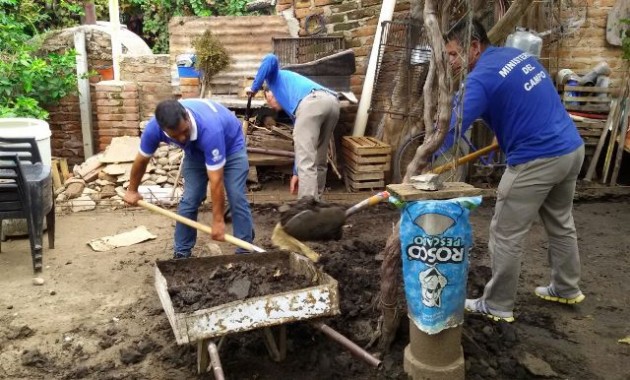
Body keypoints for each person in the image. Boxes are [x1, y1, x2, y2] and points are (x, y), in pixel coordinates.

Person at [442, 20, 585, 322]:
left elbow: (451, 129)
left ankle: (497, 305)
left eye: (454, 55)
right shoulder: (514, 56)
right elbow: (521, 99)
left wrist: (428, 157)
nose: (451, 62)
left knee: (505, 233)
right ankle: (566, 287)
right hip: (570, 148)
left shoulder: (479, 79)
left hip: (537, 158)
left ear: (474, 47)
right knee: (561, 223)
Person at [123, 99, 254, 258]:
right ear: (163, 129)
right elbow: (142, 160)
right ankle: (182, 253)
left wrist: (218, 220)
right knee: (190, 199)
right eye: (175, 136)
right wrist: (132, 190)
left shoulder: (210, 129)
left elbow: (216, 180)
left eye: (185, 131)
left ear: (187, 117)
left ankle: (245, 249)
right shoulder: (154, 129)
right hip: (195, 153)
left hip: (231, 146)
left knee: (236, 195)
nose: (182, 138)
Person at [246, 53, 340, 200]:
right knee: (318, 159)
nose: (271, 107)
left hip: (312, 103)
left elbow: (271, 58)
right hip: (332, 103)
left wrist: (254, 87)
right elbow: (301, 147)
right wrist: (296, 173)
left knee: (307, 162)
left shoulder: (273, 79)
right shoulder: (293, 105)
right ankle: (318, 204)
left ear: (269, 94)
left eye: (268, 102)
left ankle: (307, 209)